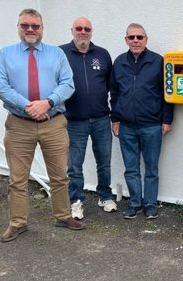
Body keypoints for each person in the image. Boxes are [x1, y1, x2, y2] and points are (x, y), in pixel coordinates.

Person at [0, 8, 84, 242]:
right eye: (25, 25)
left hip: (53, 123)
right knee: (17, 179)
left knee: (60, 175)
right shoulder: (5, 54)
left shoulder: (56, 54)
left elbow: (68, 84)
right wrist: (29, 106)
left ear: (42, 28)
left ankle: (63, 216)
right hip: (19, 124)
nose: (30, 29)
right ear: (18, 27)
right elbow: (1, 87)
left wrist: (48, 102)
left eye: (35, 25)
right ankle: (18, 223)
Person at [110, 23, 173, 219]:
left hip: (152, 125)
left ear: (146, 39)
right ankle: (135, 203)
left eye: (139, 37)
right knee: (131, 168)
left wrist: (167, 119)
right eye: (131, 37)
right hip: (126, 125)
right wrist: (115, 118)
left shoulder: (158, 61)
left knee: (151, 168)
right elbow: (114, 93)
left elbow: (167, 92)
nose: (135, 41)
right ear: (126, 40)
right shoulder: (119, 62)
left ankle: (150, 204)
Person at [60, 16, 116, 220]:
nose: (83, 32)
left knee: (104, 161)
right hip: (74, 121)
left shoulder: (102, 54)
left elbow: (110, 84)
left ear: (91, 32)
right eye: (79, 28)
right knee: (75, 165)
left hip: (101, 119)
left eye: (87, 29)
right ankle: (76, 200)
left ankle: (105, 196)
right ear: (72, 30)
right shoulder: (61, 53)